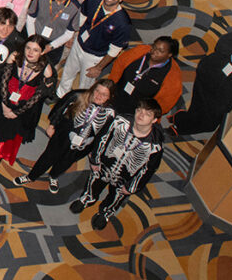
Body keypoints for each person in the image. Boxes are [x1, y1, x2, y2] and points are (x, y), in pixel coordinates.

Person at [70, 98, 164, 231]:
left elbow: (148, 170)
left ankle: (106, 212)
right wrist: (95, 160)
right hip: (105, 164)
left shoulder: (155, 146)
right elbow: (102, 138)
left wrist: (132, 187)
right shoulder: (120, 122)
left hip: (125, 177)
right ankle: (87, 198)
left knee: (116, 196)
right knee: (94, 181)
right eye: (139, 110)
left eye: (147, 114)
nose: (141, 115)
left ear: (154, 120)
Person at [15, 79, 115, 193]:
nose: (98, 96)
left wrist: (94, 150)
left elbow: (104, 134)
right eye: (97, 91)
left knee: (67, 161)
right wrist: (52, 125)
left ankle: (54, 176)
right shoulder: (78, 95)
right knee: (49, 156)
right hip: (63, 134)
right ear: (93, 89)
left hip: (83, 144)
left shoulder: (110, 113)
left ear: (109, 97)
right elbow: (59, 108)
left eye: (104, 94)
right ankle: (32, 176)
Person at [0, 35, 56, 167]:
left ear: (42, 52)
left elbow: (37, 97)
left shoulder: (46, 70)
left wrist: (17, 112)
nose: (30, 53)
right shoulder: (14, 56)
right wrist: (4, 104)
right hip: (5, 97)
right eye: (28, 48)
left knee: (10, 131)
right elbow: (4, 81)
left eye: (35, 50)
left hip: (25, 106)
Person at [171, 26, 232, 135]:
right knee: (198, 103)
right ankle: (182, 121)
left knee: (210, 121)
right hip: (211, 74)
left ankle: (182, 124)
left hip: (227, 93)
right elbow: (222, 45)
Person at [56, 0, 133, 98]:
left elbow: (114, 50)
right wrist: (73, 37)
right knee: (67, 72)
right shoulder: (93, 0)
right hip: (79, 44)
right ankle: (60, 95)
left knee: (85, 85)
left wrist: (99, 67)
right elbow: (80, 20)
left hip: (94, 56)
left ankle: (78, 105)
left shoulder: (123, 23)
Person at [107, 37, 183, 115]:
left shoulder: (173, 75)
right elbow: (118, 66)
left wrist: (145, 115)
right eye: (154, 47)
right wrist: (109, 88)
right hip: (114, 97)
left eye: (160, 51)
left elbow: (164, 104)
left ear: (169, 54)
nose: (154, 51)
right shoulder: (139, 52)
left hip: (136, 113)